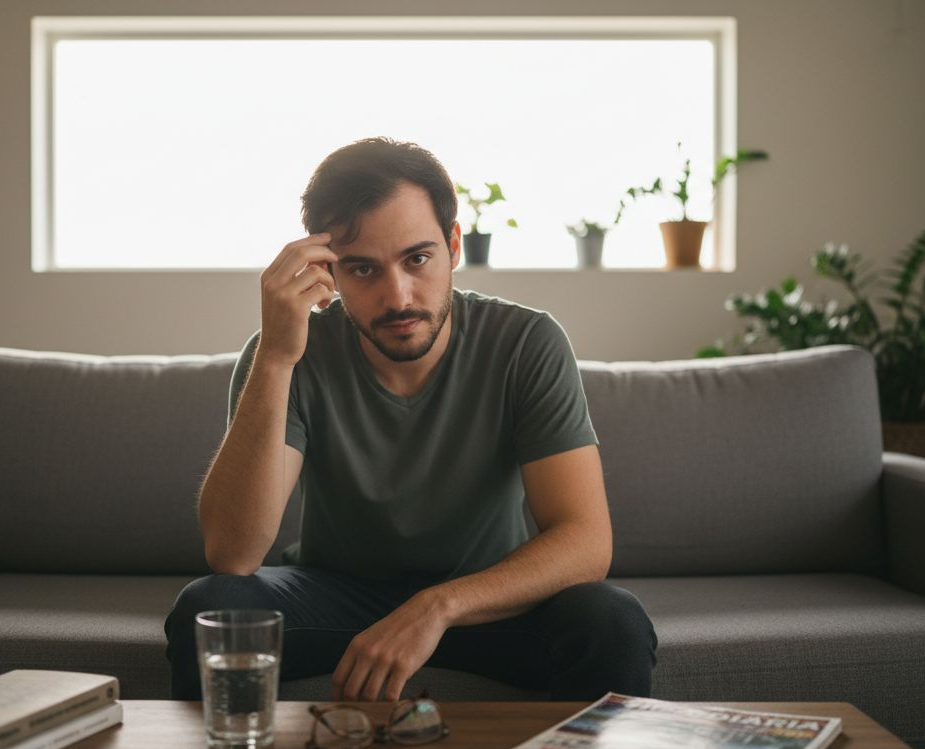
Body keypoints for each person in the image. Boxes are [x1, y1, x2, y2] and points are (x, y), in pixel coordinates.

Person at [165, 136, 657, 703]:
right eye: (362, 269)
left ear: (454, 246)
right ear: (327, 271)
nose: (397, 296)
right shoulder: (285, 352)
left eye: (417, 259)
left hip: (489, 601)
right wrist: (276, 356)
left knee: (612, 621)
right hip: (338, 596)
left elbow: (586, 540)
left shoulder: (526, 342)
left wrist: (438, 606)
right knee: (209, 608)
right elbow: (233, 554)